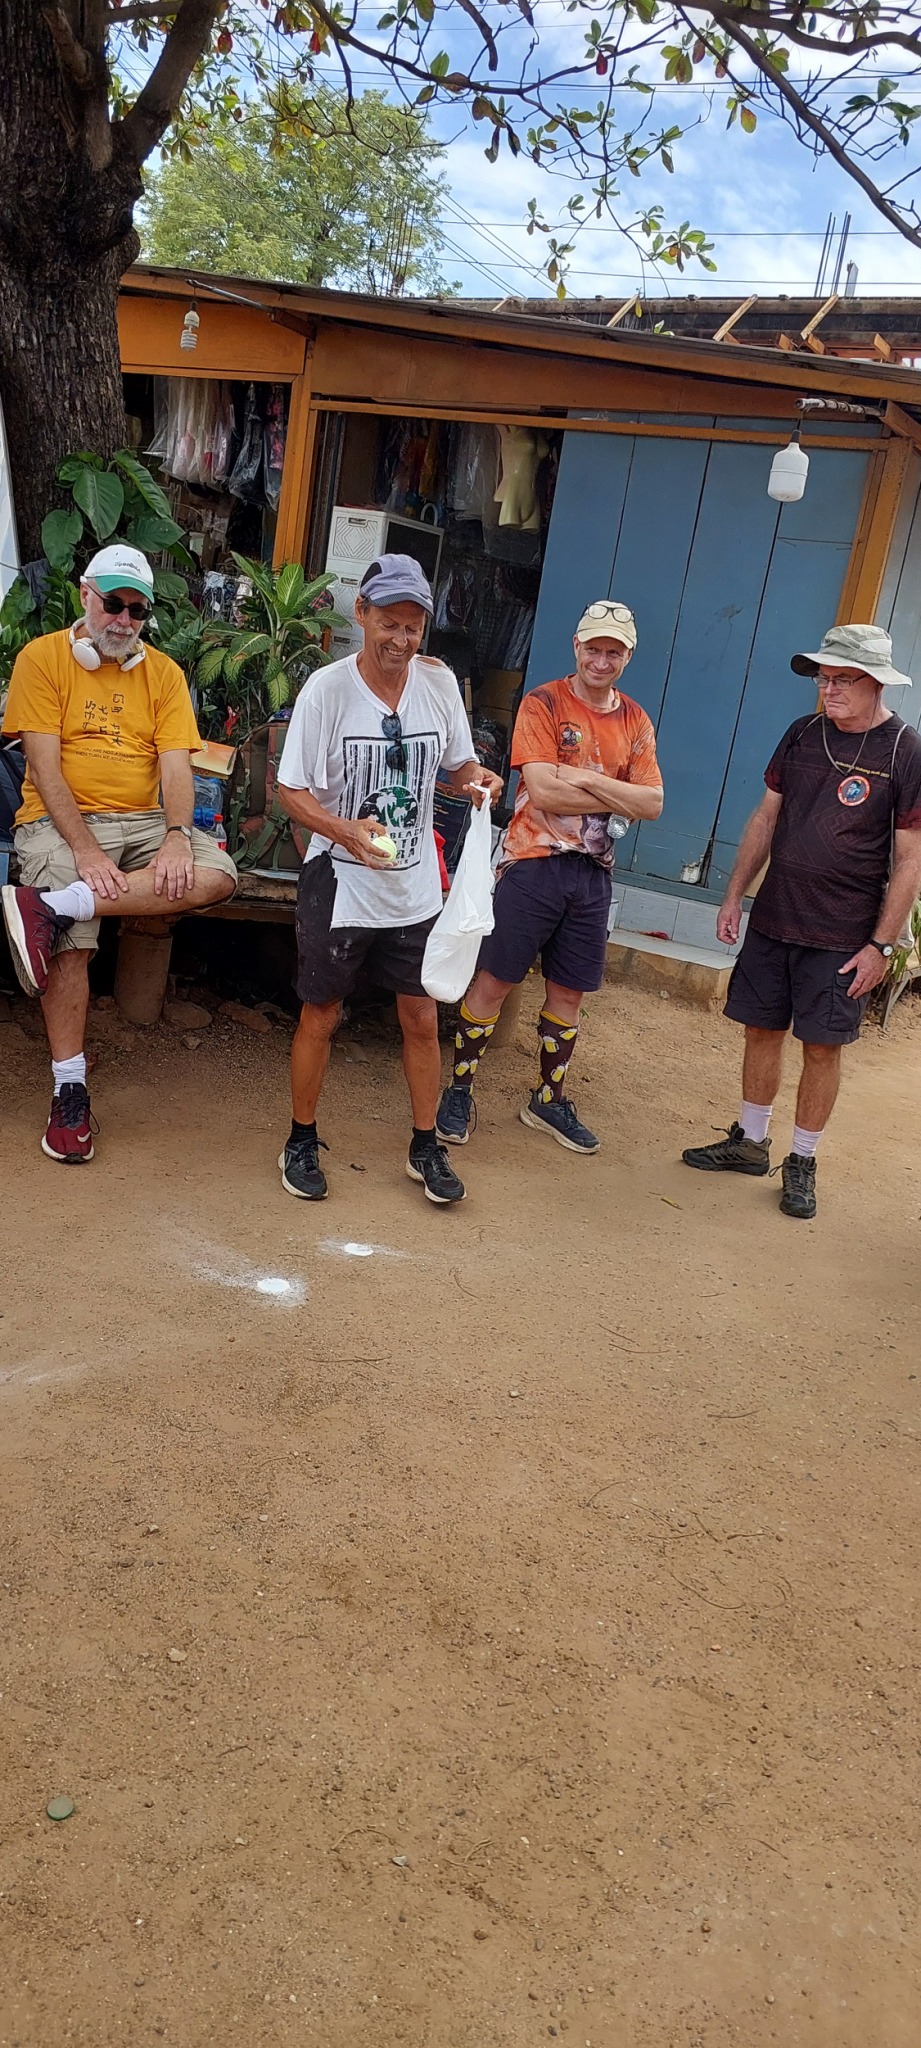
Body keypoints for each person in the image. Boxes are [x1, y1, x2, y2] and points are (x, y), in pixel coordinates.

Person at [276, 553, 502, 1206]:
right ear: (362, 613)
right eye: (389, 623)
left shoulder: (438, 683)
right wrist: (345, 830)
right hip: (341, 882)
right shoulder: (327, 691)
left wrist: (477, 781)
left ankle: (424, 1145)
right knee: (322, 1012)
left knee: (422, 1017)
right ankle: (299, 1138)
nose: (401, 640)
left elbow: (457, 767)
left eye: (413, 626)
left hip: (413, 885)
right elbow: (291, 791)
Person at [0, 544, 237, 1162]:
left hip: (143, 819)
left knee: (217, 875)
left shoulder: (164, 674)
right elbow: (43, 768)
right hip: (59, 822)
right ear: (86, 595)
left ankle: (55, 905)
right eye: (113, 604)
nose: (124, 619)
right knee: (72, 941)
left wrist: (177, 834)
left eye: (137, 610)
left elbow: (177, 769)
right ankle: (69, 1091)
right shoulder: (42, 658)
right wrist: (85, 851)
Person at [682, 623, 921, 1219]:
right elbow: (766, 817)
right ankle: (750, 1143)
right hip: (774, 918)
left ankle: (803, 1160)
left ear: (876, 683)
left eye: (842, 680)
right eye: (823, 677)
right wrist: (734, 895)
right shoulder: (802, 734)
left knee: (821, 1048)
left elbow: (911, 859)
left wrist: (880, 946)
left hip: (842, 935)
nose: (827, 689)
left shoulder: (904, 750)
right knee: (760, 1030)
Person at [436, 599, 663, 1155]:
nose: (601, 661)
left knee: (569, 992)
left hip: (592, 872)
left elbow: (653, 802)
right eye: (593, 648)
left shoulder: (635, 720)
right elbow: (541, 791)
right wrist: (616, 794)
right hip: (532, 862)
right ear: (576, 646)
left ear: (628, 656)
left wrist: (584, 780)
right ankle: (459, 1091)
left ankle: (548, 1098)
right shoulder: (544, 702)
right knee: (494, 980)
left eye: (613, 652)